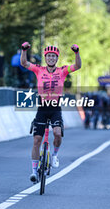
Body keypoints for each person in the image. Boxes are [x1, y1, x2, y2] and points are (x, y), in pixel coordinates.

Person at [20, 41, 81, 183]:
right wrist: (24, 50)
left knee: (57, 134)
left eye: (54, 56)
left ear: (57, 58)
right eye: (49, 56)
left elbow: (78, 66)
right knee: (37, 140)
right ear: (45, 58)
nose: (51, 58)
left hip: (55, 109)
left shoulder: (62, 71)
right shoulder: (39, 69)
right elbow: (24, 63)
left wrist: (77, 53)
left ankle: (54, 155)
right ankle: (34, 171)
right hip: (42, 108)